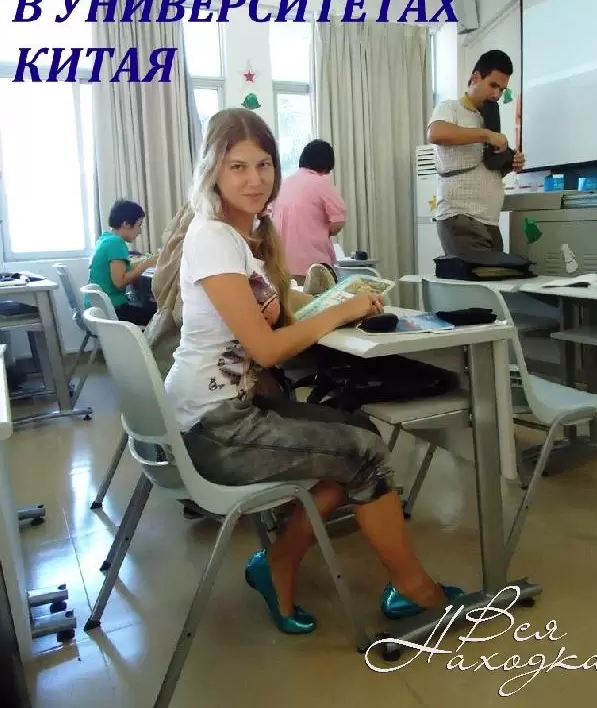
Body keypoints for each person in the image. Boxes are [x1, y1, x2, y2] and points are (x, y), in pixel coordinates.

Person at [164, 107, 463, 635]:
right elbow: (266, 348)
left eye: (263, 164)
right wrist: (339, 313)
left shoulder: (238, 238)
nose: (254, 179)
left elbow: (277, 304)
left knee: (358, 434)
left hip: (222, 411)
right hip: (213, 426)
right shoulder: (212, 237)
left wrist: (338, 299)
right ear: (213, 171)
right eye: (238, 167)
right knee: (363, 453)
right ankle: (413, 590)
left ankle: (278, 563)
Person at [427, 50, 526, 257]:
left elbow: (485, 166)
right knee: (483, 277)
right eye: (493, 85)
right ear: (475, 78)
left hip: (489, 221)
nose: (497, 95)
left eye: (502, 89)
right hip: (461, 219)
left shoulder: (489, 118)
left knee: (496, 276)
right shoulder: (450, 108)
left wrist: (510, 162)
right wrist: (486, 135)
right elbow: (436, 133)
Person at [271, 139, 346, 288]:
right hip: (314, 266)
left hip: (281, 265)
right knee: (321, 302)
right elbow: (338, 222)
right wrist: (321, 230)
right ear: (326, 165)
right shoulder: (321, 182)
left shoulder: (283, 184)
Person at [87, 199, 158, 325]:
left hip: (98, 309)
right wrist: (146, 264)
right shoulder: (116, 243)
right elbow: (120, 282)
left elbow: (121, 268)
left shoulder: (105, 239)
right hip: (113, 311)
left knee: (147, 306)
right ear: (126, 224)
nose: (140, 231)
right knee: (159, 316)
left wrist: (145, 261)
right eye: (139, 225)